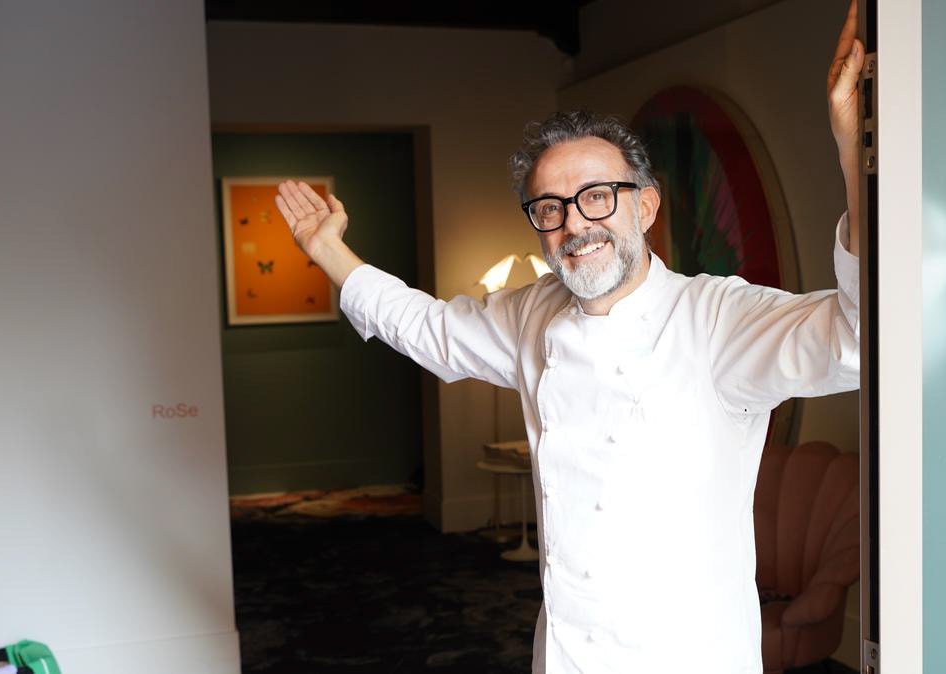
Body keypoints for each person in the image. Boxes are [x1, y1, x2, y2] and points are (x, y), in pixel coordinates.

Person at [274, 3, 865, 671]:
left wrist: (855, 156)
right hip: (566, 653)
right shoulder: (534, 313)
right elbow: (429, 329)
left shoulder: (718, 318)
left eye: (598, 196)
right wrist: (327, 249)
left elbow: (856, 340)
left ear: (645, 205)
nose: (575, 224)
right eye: (549, 208)